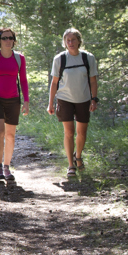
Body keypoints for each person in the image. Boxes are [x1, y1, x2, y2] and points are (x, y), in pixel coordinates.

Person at [47, 28, 99, 177]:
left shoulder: (88, 58)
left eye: (73, 40)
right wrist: (50, 103)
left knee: (81, 133)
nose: (70, 43)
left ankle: (78, 156)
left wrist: (94, 99)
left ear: (79, 41)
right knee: (69, 132)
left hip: (83, 99)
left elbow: (93, 81)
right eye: (68, 40)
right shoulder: (60, 59)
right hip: (65, 99)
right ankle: (71, 165)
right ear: (64, 42)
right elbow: (54, 82)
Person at [0, 27, 30, 183]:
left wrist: (26, 101)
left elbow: (23, 80)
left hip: (13, 100)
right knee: (0, 132)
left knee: (10, 135)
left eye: (10, 38)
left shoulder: (19, 58)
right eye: (4, 38)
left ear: (14, 40)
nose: (8, 41)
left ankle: (7, 167)